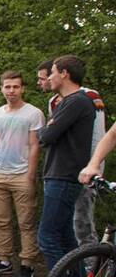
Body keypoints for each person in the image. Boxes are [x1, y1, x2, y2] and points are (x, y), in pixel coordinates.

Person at [22, 55, 97, 277]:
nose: (48, 77)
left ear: (64, 73)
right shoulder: (70, 103)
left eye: (52, 72)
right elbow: (47, 133)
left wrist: (48, 128)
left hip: (64, 176)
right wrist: (49, 128)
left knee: (48, 236)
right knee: (65, 236)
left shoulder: (77, 102)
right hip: (60, 174)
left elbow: (46, 135)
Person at [0, 71, 44, 277]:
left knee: (26, 222)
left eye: (15, 87)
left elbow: (35, 145)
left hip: (22, 174)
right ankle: (4, 261)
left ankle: (27, 264)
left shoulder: (33, 113)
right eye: (7, 87)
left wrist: (30, 175)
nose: (11, 91)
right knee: (1, 221)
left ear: (22, 88)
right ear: (1, 89)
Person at [39, 58, 107, 246]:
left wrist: (95, 164)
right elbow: (48, 135)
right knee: (64, 226)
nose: (42, 82)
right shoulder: (54, 101)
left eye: (45, 77)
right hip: (58, 167)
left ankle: (90, 269)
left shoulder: (89, 96)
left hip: (85, 167)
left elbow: (99, 133)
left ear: (63, 73)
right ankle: (70, 269)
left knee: (82, 223)